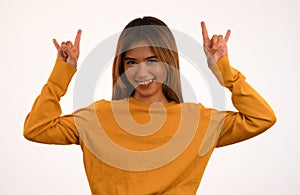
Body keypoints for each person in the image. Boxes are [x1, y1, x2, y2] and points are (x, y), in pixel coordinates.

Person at [24, 16, 276, 194]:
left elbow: (262, 118)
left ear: (168, 61)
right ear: (121, 67)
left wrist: (224, 71)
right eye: (131, 62)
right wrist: (62, 74)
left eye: (152, 60)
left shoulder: (198, 120)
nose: (141, 71)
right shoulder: (97, 117)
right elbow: (36, 129)